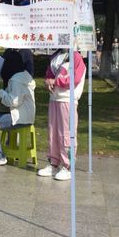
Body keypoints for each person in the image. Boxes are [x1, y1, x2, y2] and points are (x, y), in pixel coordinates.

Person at [37, 49, 86, 181]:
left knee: (67, 133)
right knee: (52, 132)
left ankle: (67, 166)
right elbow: (49, 74)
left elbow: (75, 79)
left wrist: (55, 82)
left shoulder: (76, 57)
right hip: (54, 98)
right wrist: (47, 81)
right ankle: (53, 163)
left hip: (67, 99)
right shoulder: (55, 55)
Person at [0, 50, 36, 161]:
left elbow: (13, 101)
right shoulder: (25, 75)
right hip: (27, 116)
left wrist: (0, 92)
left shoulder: (16, 80)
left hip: (19, 118)